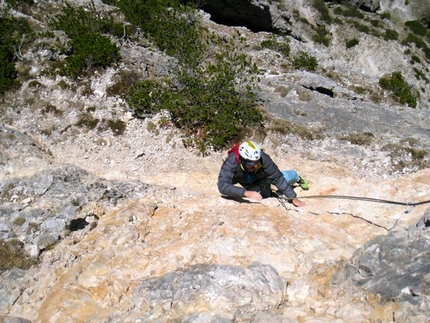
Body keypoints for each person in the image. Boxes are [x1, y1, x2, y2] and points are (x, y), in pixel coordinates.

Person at [217, 140, 307, 207]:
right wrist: (246, 193)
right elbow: (223, 185)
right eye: (251, 163)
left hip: (262, 177)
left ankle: (297, 177)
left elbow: (278, 178)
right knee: (263, 194)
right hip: (247, 181)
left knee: (284, 178)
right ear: (242, 160)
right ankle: (270, 192)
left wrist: (293, 197)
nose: (255, 166)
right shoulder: (232, 161)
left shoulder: (263, 158)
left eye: (257, 162)